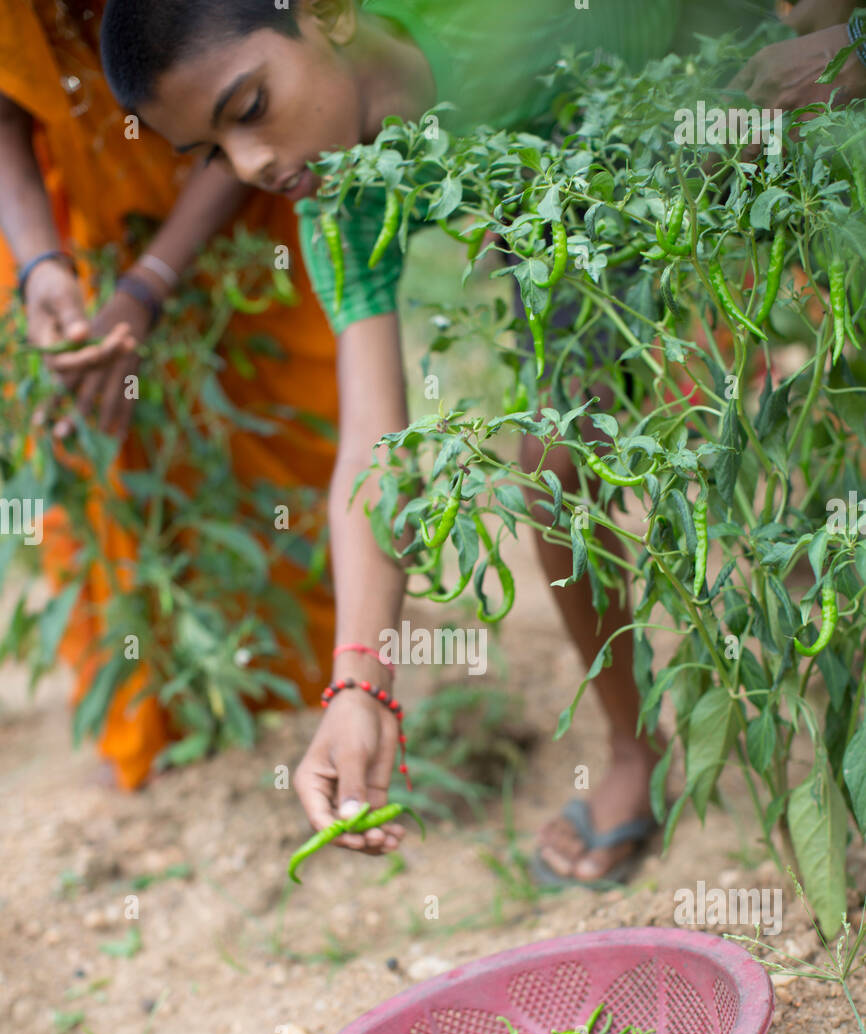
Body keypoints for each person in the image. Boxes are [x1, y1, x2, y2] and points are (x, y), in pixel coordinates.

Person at [99, 0, 866, 870]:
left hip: (717, 95)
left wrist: (842, 39)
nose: (250, 164)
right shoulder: (339, 205)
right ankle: (631, 747)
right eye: (210, 151)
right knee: (550, 470)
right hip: (573, 220)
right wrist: (359, 684)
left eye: (247, 110)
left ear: (330, 15)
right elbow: (372, 451)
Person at [0, 0, 339, 790]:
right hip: (66, 207)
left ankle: (304, 711)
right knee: (103, 469)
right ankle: (163, 742)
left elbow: (240, 105)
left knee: (268, 438)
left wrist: (149, 284)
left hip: (234, 204)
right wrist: (40, 265)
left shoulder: (243, 127)